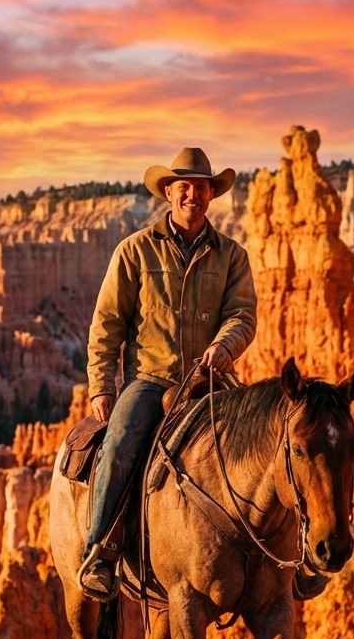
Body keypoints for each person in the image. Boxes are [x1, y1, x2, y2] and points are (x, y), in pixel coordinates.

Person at [77, 147, 257, 600]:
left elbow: (242, 315)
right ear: (169, 193)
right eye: (184, 187)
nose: (192, 194)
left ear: (211, 194)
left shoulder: (231, 256)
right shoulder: (134, 250)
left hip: (209, 378)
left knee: (268, 441)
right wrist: (102, 386)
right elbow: (108, 323)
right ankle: (100, 552)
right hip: (150, 378)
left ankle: (288, 559)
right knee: (119, 443)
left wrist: (224, 345)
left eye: (201, 187)